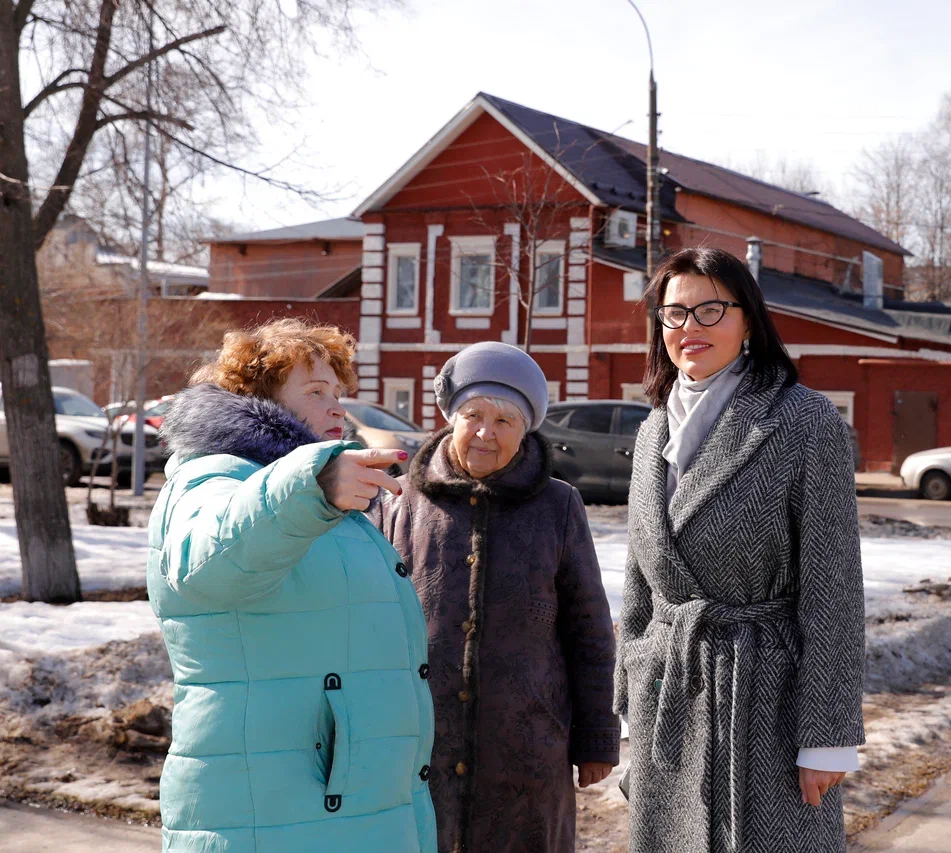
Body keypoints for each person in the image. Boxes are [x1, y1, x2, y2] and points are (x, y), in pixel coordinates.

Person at [149, 319, 436, 852]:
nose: (337, 409)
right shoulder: (214, 476)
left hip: (335, 805)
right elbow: (206, 570)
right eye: (315, 392)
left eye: (337, 393)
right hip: (273, 807)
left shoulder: (309, 491)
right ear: (261, 401)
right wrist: (308, 484)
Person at [615, 248, 865, 852]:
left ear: (748, 319)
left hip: (766, 704)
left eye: (710, 310)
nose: (689, 329)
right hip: (668, 701)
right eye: (674, 314)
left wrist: (827, 736)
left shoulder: (804, 421)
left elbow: (833, 589)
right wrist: (630, 707)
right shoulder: (653, 429)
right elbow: (641, 585)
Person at [370, 341, 620, 853]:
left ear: (526, 430)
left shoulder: (558, 505)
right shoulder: (397, 501)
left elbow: (589, 627)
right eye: (473, 415)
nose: (486, 432)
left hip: (528, 745)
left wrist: (596, 735)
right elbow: (367, 621)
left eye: (505, 421)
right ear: (450, 418)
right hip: (419, 742)